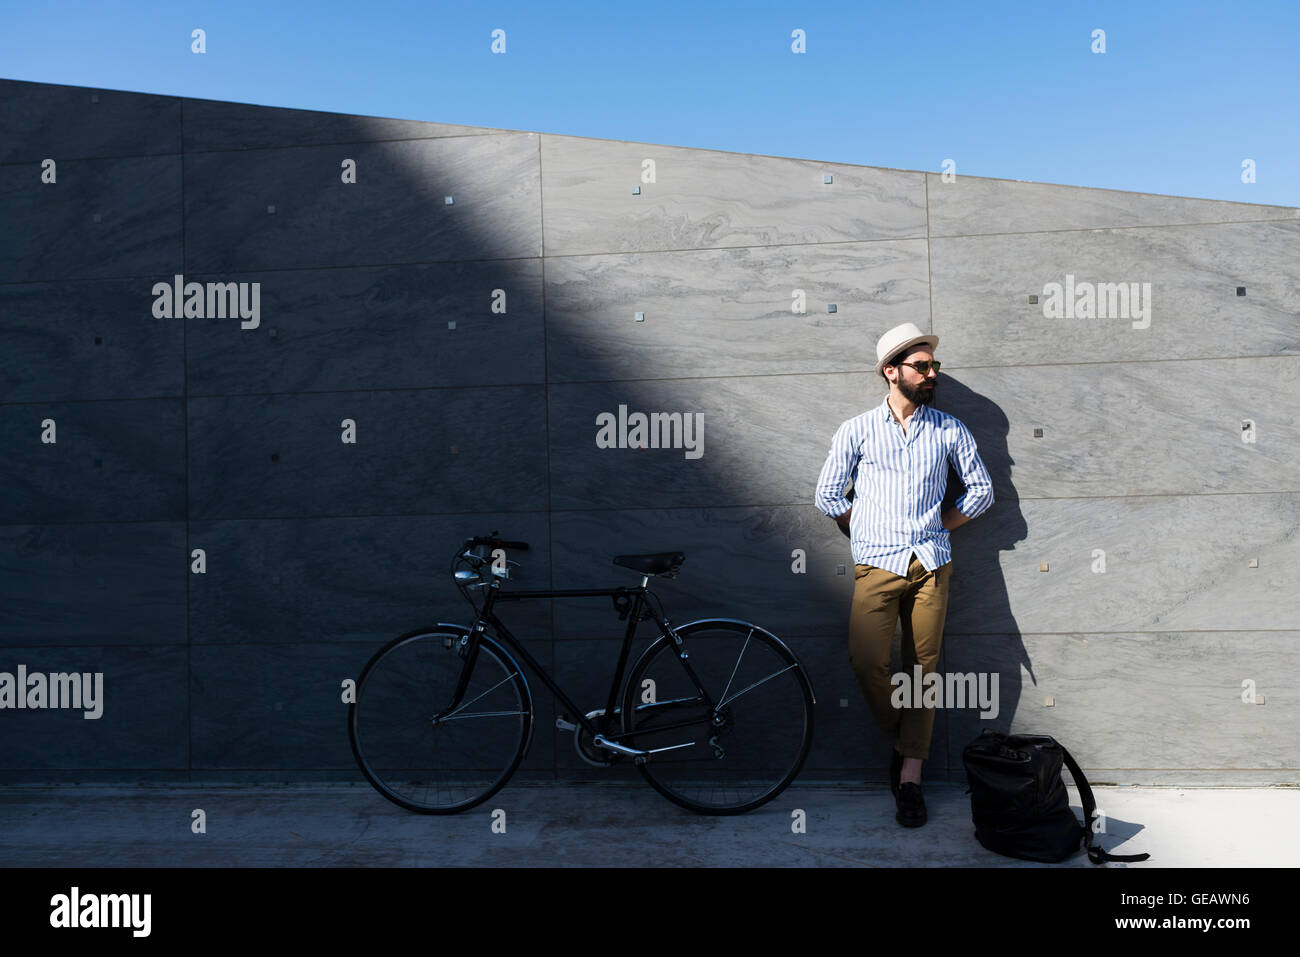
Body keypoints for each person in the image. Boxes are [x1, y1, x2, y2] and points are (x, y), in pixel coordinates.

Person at [813, 322, 994, 827]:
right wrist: (865, 530)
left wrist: (940, 523)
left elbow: (980, 491)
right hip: (877, 562)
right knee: (866, 660)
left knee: (923, 670)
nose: (931, 372)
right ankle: (905, 738)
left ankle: (910, 776)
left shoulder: (950, 429)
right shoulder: (856, 430)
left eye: (933, 365)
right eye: (921, 366)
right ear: (892, 372)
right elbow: (827, 494)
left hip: (932, 562)